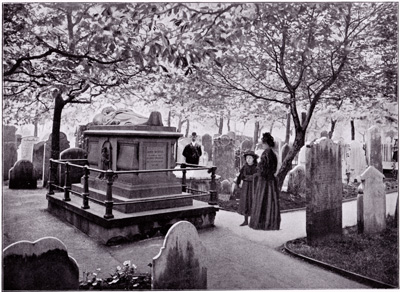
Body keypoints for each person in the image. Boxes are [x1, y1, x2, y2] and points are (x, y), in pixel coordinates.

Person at [249, 132, 281, 230]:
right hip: (271, 180)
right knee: (271, 201)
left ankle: (262, 224)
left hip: (264, 181)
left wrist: (258, 170)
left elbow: (263, 168)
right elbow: (274, 168)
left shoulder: (266, 153)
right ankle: (270, 223)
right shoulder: (273, 153)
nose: (262, 145)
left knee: (263, 200)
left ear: (266, 143)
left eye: (263, 143)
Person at [236, 150, 258, 226]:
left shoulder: (256, 167)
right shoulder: (244, 167)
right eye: (247, 158)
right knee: (245, 202)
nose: (248, 159)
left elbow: (259, 177)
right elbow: (240, 176)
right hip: (245, 186)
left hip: (253, 187)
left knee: (252, 202)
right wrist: (238, 183)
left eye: (250, 158)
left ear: (253, 159)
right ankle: (245, 221)